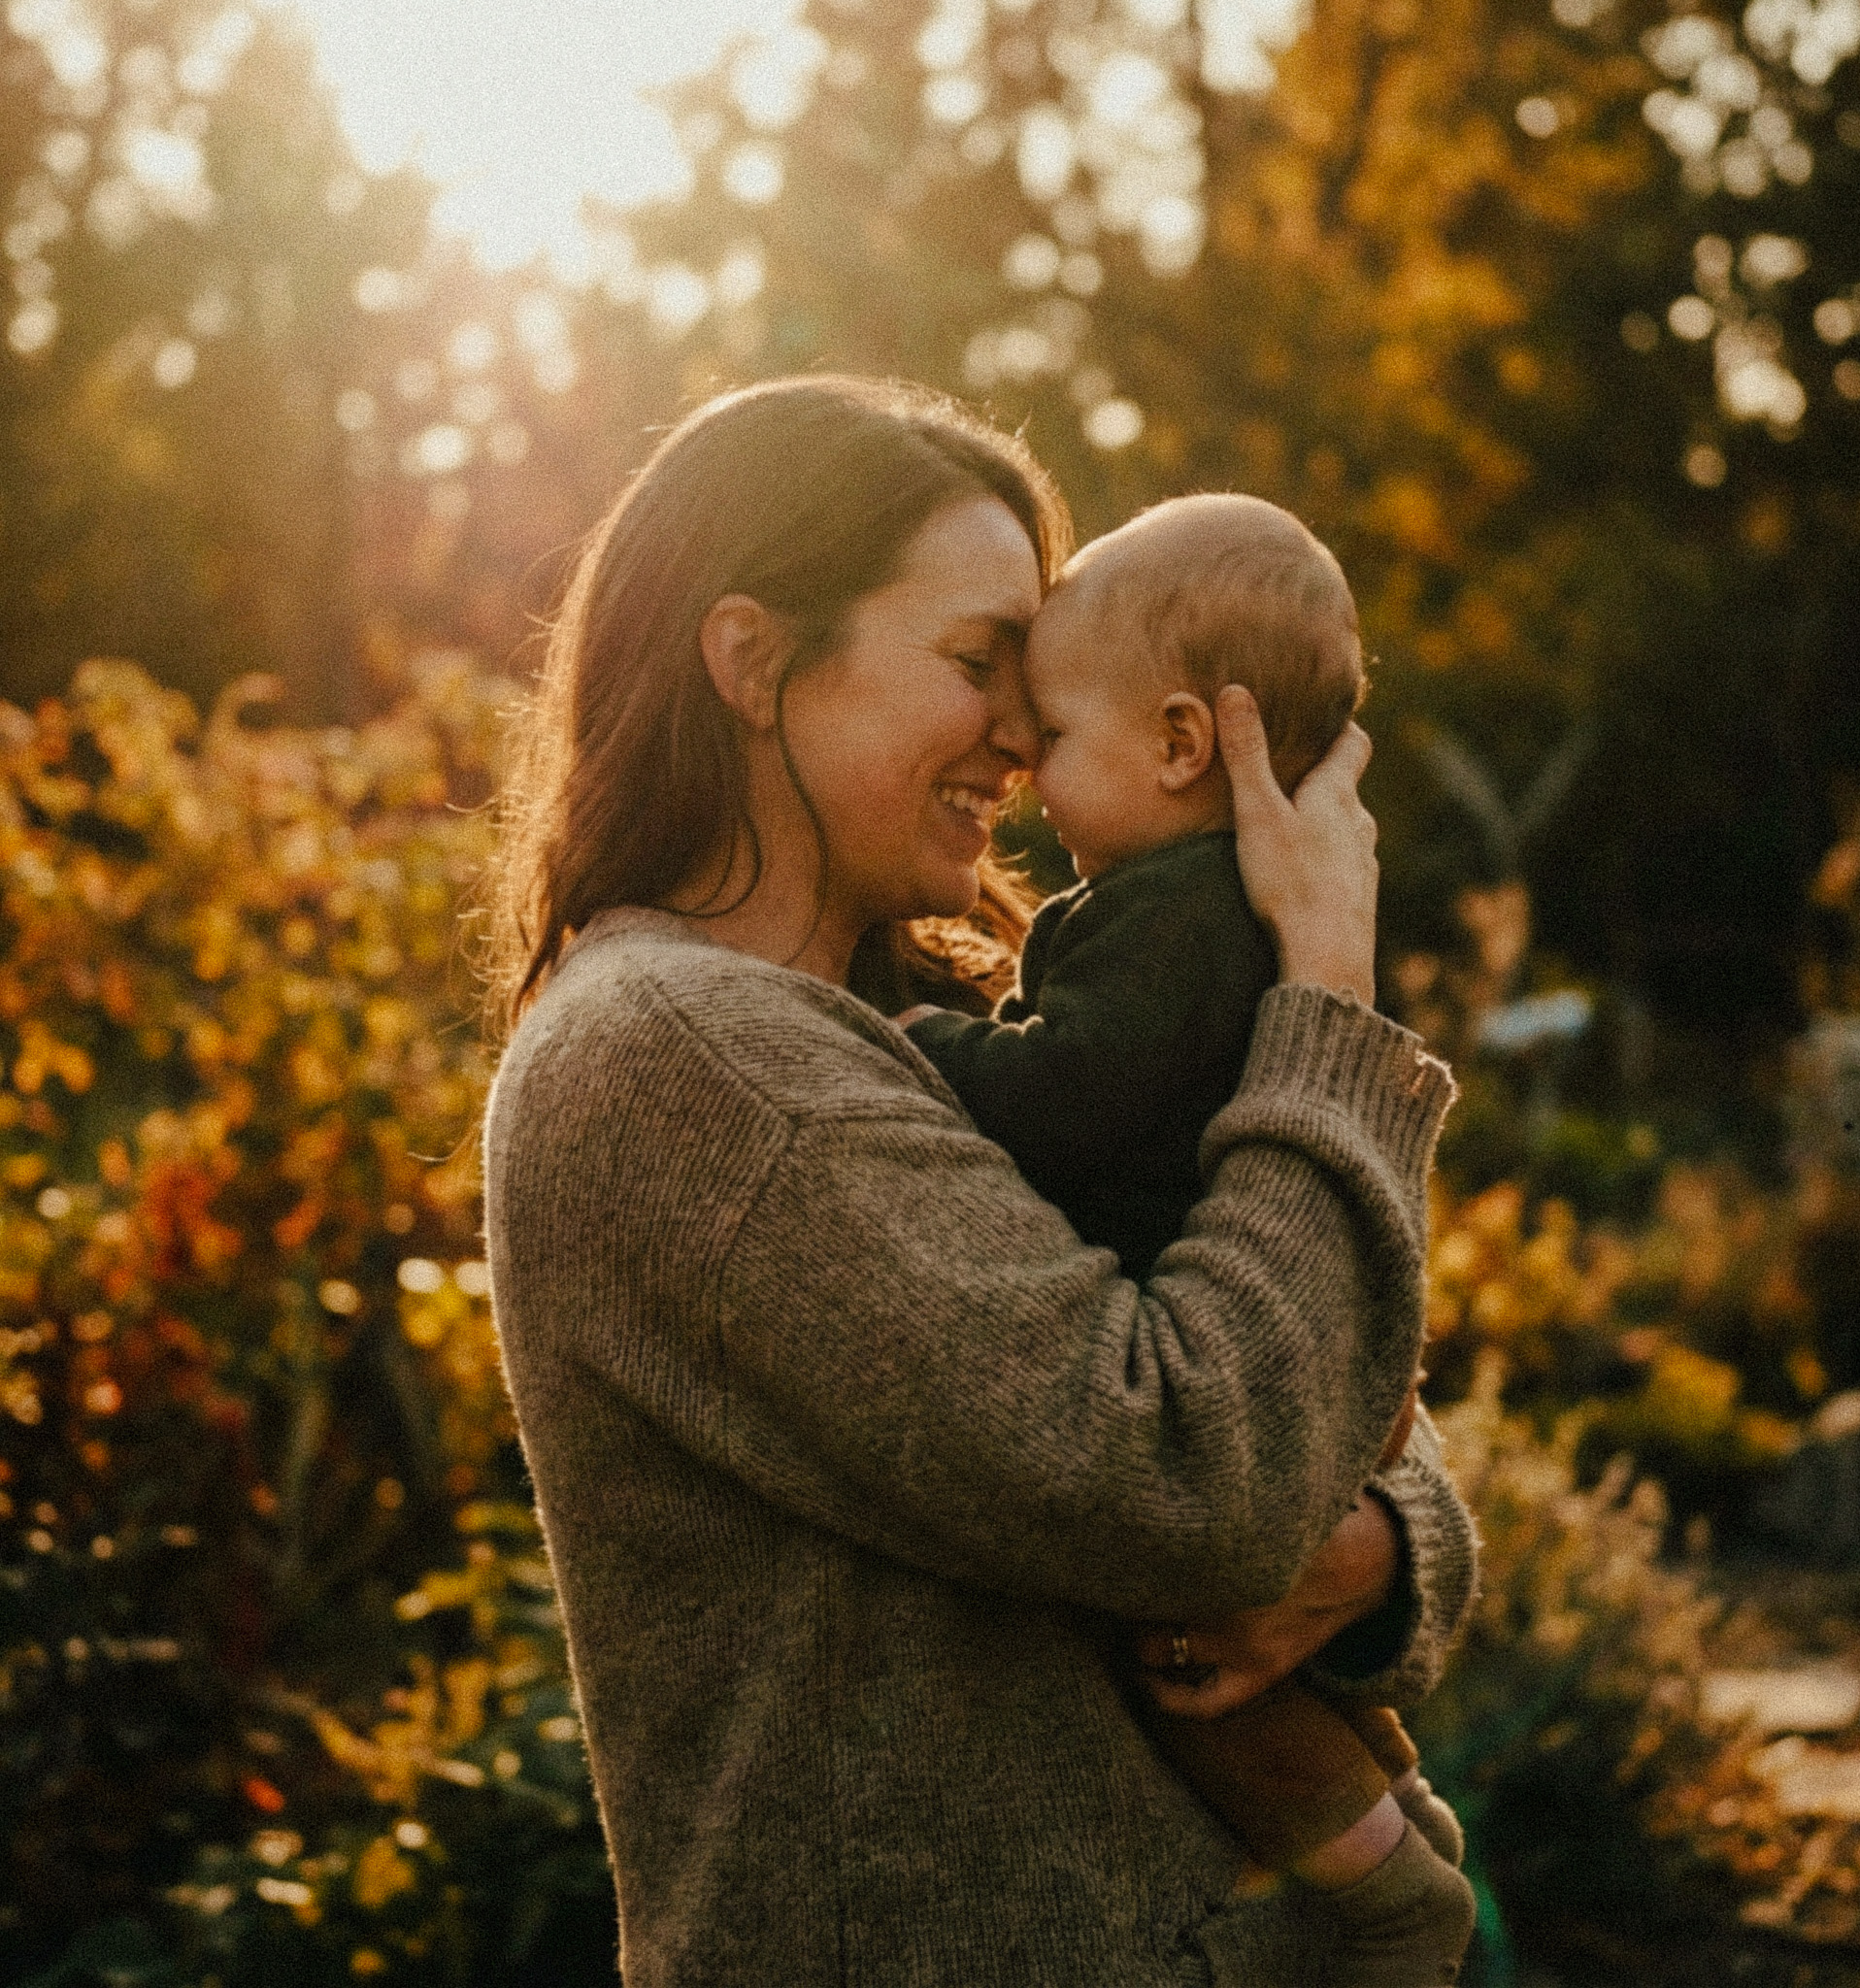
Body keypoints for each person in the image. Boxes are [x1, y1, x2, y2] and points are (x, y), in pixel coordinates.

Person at [482, 375, 1479, 1987]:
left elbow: (1328, 1391)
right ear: (751, 663)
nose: (1023, 732)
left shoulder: (912, 1026)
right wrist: (1330, 1009)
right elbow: (1204, 1472)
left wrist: (1371, 1549)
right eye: (975, 664)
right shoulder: (688, 1061)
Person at [907, 494, 1474, 1986]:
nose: (1025, 774)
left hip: (1208, 1346)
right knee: (1249, 1672)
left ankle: (1393, 1890)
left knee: (1191, 1679)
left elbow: (1069, 1094)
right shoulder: (1218, 910)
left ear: (1177, 744)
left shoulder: (1169, 917)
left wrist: (911, 1045)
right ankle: (1399, 1823)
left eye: (1055, 741)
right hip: (1260, 1347)